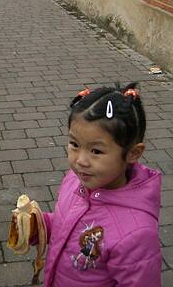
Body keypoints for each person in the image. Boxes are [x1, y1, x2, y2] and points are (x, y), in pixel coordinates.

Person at [9, 83, 162, 286]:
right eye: (74, 144)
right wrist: (42, 225)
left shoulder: (137, 234)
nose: (81, 160)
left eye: (96, 151)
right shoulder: (76, 180)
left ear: (133, 153)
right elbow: (68, 223)